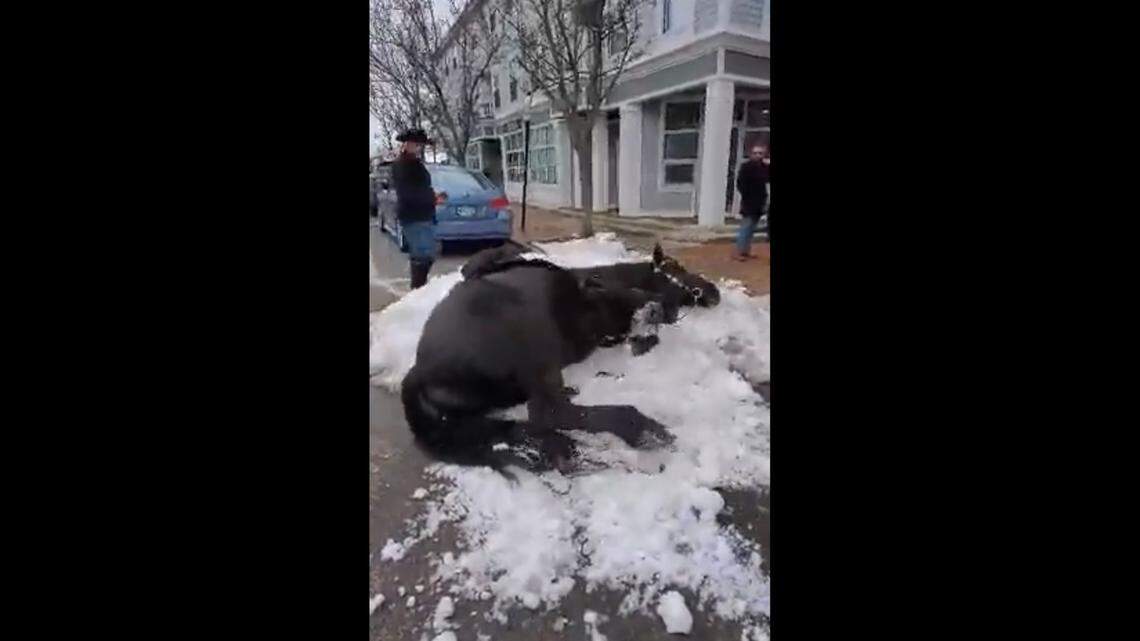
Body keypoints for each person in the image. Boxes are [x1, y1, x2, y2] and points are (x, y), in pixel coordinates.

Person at [391, 128, 445, 288]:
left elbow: (419, 187)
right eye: (416, 144)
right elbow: (407, 193)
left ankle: (419, 288)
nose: (419, 148)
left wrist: (433, 196)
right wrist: (432, 198)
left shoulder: (413, 163)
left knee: (426, 254)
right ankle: (417, 290)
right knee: (423, 255)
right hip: (414, 216)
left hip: (422, 214)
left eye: (420, 145)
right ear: (407, 144)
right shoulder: (403, 165)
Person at [733, 144, 770, 260]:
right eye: (755, 153)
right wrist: (747, 195)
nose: (758, 155)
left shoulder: (764, 167)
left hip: (760, 202)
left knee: (752, 227)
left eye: (760, 153)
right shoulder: (746, 167)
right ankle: (739, 252)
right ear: (751, 154)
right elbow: (740, 184)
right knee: (746, 227)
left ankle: (746, 251)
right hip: (749, 202)